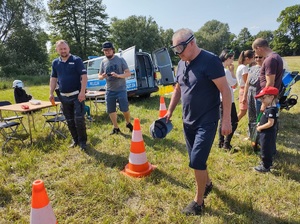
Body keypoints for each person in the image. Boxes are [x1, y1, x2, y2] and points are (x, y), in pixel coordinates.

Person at [166, 28, 232, 215]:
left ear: (192, 43)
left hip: (207, 120)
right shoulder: (181, 63)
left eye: (181, 49)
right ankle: (208, 183)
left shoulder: (211, 61)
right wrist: (170, 111)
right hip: (188, 121)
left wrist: (226, 120)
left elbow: (225, 91)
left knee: (196, 161)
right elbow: (178, 89)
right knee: (198, 160)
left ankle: (199, 202)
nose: (178, 54)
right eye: (175, 50)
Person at [49, 40, 88, 150]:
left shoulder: (76, 60)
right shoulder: (55, 63)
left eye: (65, 48)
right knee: (69, 120)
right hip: (63, 96)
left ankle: (83, 142)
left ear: (68, 48)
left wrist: (82, 92)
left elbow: (84, 76)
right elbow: (53, 78)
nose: (63, 50)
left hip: (77, 95)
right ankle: (75, 140)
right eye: (60, 49)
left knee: (79, 120)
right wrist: (51, 93)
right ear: (57, 50)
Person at [98, 41, 133, 135]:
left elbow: (128, 73)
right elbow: (99, 76)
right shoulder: (103, 62)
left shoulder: (120, 59)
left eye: (108, 50)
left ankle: (128, 122)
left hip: (121, 89)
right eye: (105, 50)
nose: (107, 52)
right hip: (109, 90)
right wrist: (103, 76)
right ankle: (116, 128)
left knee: (125, 109)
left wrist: (118, 75)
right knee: (111, 110)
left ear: (113, 50)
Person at [252, 38, 283, 115]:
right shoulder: (276, 56)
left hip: (268, 98)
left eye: (254, 50)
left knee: (265, 123)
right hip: (271, 97)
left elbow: (270, 83)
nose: (255, 53)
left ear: (258, 48)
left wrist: (264, 103)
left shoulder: (270, 59)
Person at [254, 86, 279, 172]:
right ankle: (265, 162)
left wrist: (260, 127)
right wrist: (259, 123)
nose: (261, 100)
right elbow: (265, 119)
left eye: (263, 98)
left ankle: (266, 166)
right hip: (265, 133)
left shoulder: (272, 110)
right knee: (264, 147)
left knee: (266, 149)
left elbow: (270, 123)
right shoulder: (268, 108)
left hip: (268, 134)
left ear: (271, 97)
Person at [242, 55, 265, 144]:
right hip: (250, 92)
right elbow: (247, 82)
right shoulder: (251, 68)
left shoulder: (265, 69)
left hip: (259, 93)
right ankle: (251, 135)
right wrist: (244, 96)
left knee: (258, 115)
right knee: (251, 115)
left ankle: (258, 137)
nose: (258, 59)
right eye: (256, 57)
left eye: (260, 57)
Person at [218, 49, 238, 150]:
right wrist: (232, 72)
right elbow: (234, 84)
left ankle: (220, 142)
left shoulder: (217, 68)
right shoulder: (225, 71)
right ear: (227, 58)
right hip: (228, 99)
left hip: (220, 98)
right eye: (232, 59)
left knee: (222, 120)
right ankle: (226, 143)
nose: (232, 61)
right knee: (234, 121)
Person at [236, 50, 255, 121]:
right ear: (247, 59)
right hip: (244, 90)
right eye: (253, 58)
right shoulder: (244, 68)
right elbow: (247, 81)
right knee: (243, 111)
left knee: (243, 111)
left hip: (242, 89)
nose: (254, 60)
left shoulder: (240, 66)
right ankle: (232, 125)